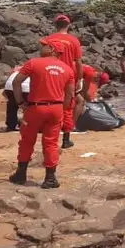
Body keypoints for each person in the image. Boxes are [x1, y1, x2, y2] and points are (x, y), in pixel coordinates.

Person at [8, 38, 75, 189]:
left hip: (36, 108)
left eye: (44, 45)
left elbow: (16, 82)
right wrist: (62, 109)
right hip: (56, 108)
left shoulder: (33, 63)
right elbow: (70, 94)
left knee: (27, 140)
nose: (41, 47)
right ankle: (50, 178)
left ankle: (21, 174)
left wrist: (20, 102)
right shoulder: (67, 69)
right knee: (51, 143)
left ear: (52, 49)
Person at [43, 14, 83, 149]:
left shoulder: (48, 39)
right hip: (67, 75)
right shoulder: (73, 40)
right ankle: (66, 138)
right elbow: (78, 62)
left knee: (50, 103)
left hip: (50, 74)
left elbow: (42, 57)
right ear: (69, 25)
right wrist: (80, 79)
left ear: (55, 25)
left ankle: (50, 137)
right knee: (68, 106)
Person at [72, 64, 110, 129]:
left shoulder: (87, 68)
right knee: (80, 101)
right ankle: (72, 125)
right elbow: (85, 90)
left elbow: (82, 89)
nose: (96, 79)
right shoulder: (91, 73)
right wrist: (88, 100)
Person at [3, 65, 29, 132]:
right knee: (32, 106)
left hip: (9, 87)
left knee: (12, 105)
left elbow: (4, 93)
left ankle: (11, 125)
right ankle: (32, 124)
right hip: (25, 88)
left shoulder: (18, 70)